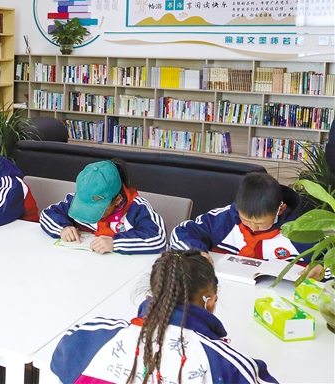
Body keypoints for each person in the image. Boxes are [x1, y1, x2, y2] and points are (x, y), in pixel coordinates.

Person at [51, 250, 277, 384]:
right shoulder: (227, 366)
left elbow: (61, 366)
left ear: (151, 294)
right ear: (211, 302)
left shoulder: (88, 336)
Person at [170, 172, 324, 279]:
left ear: (280, 209)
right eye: (246, 220)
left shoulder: (300, 231)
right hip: (224, 289)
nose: (252, 227)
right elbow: (181, 232)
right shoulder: (224, 219)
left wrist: (321, 269)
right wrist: (196, 252)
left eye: (260, 223)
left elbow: (329, 259)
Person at [40, 160, 166, 255]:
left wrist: (114, 243)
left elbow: (158, 239)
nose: (88, 213)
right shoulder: (77, 201)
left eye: (97, 209)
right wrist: (63, 228)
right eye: (85, 206)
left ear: (118, 200)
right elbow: (46, 214)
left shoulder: (138, 209)